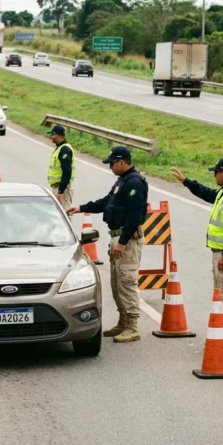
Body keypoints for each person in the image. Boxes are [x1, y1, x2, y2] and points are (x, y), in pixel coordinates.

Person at [67, 147, 148, 343]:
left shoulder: (135, 182)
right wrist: (81, 208)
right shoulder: (122, 181)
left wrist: (122, 242)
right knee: (116, 283)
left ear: (122, 162)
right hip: (117, 238)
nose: (110, 166)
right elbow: (106, 202)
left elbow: (135, 217)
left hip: (126, 239)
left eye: (112, 163)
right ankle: (123, 321)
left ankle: (132, 326)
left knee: (127, 282)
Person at [170, 158, 223, 355]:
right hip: (220, 254)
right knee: (220, 295)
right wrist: (186, 181)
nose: (213, 176)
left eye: (215, 172)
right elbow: (207, 193)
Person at [47, 125, 75, 211]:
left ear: (58, 135)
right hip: (58, 186)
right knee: (58, 214)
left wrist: (61, 191)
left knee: (65, 212)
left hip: (62, 187)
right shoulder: (60, 148)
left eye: (52, 134)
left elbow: (67, 171)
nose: (51, 136)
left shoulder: (64, 150)